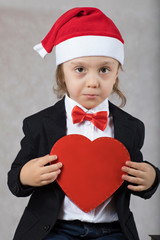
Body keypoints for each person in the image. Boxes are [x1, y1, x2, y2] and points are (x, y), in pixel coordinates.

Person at [7, 7, 160, 240]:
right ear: (63, 73)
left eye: (104, 70)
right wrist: (25, 176)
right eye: (80, 69)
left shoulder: (132, 127)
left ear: (117, 72)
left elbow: (134, 176)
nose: (93, 82)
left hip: (112, 230)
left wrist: (151, 179)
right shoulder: (39, 124)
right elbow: (14, 180)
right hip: (56, 229)